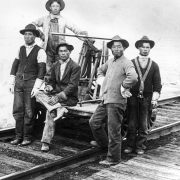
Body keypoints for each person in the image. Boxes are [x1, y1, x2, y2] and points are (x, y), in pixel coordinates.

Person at [89, 35, 138, 165]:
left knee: (113, 130)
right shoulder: (110, 62)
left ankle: (113, 158)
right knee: (94, 122)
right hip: (105, 99)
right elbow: (100, 69)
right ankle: (104, 144)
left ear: (124, 48)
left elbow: (133, 77)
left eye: (119, 46)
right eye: (114, 46)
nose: (116, 49)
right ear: (111, 49)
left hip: (116, 101)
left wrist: (123, 86)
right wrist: (100, 79)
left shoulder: (126, 62)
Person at [35, 42, 81, 152]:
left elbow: (72, 86)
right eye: (61, 51)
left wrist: (58, 97)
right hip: (55, 96)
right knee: (37, 93)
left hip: (68, 97)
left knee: (50, 113)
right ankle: (57, 107)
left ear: (69, 52)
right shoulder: (56, 65)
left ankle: (45, 142)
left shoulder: (75, 66)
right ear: (58, 53)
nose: (63, 53)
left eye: (65, 51)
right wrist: (49, 87)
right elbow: (51, 81)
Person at [32, 0, 88, 82]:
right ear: (50, 8)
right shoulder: (44, 19)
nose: (55, 8)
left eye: (57, 6)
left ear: (60, 8)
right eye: (53, 6)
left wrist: (82, 34)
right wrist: (40, 34)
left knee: (60, 69)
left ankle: (58, 89)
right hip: (48, 49)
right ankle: (48, 88)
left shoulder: (64, 20)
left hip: (60, 49)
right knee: (48, 69)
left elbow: (74, 27)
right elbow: (32, 24)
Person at [9, 24, 46, 146]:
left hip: (31, 83)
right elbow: (15, 65)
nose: (27, 36)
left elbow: (42, 70)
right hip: (19, 83)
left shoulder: (40, 51)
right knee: (17, 110)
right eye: (25, 34)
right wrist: (11, 81)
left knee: (29, 111)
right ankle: (18, 136)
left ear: (35, 36)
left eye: (30, 34)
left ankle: (27, 137)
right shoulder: (20, 49)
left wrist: (37, 87)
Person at [124, 36, 162, 155]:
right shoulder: (131, 63)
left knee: (144, 123)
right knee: (131, 122)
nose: (145, 49)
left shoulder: (154, 65)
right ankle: (130, 146)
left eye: (148, 48)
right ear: (138, 48)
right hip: (133, 97)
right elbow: (126, 79)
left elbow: (157, 84)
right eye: (143, 47)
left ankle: (140, 146)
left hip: (147, 98)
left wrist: (154, 99)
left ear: (150, 49)